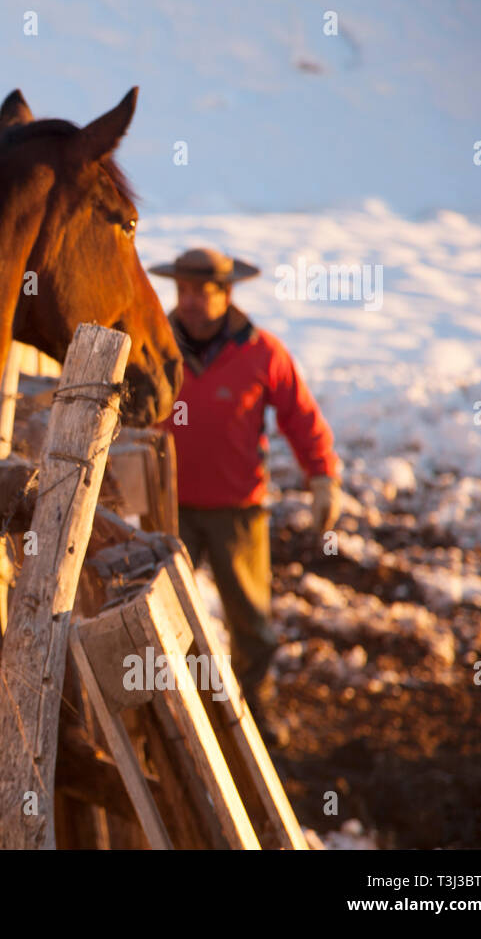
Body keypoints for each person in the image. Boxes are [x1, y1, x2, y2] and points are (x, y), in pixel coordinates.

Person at [151, 248, 341, 735]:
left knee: (251, 622)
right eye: (183, 290)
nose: (189, 301)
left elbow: (301, 416)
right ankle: (160, 713)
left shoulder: (262, 352)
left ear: (226, 294)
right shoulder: (156, 345)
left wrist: (322, 477)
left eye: (201, 291)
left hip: (238, 510)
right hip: (168, 506)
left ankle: (253, 710)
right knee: (157, 610)